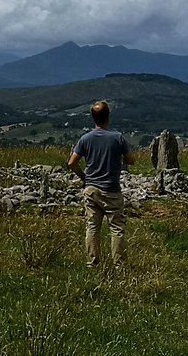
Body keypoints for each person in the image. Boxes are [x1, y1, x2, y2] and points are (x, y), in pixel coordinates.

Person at [67, 100, 135, 267]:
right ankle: (119, 265)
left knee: (92, 227)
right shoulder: (117, 138)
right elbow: (131, 160)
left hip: (91, 189)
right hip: (111, 189)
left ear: (93, 118)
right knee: (117, 229)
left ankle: (93, 262)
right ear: (108, 116)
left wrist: (84, 177)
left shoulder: (85, 139)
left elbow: (71, 163)